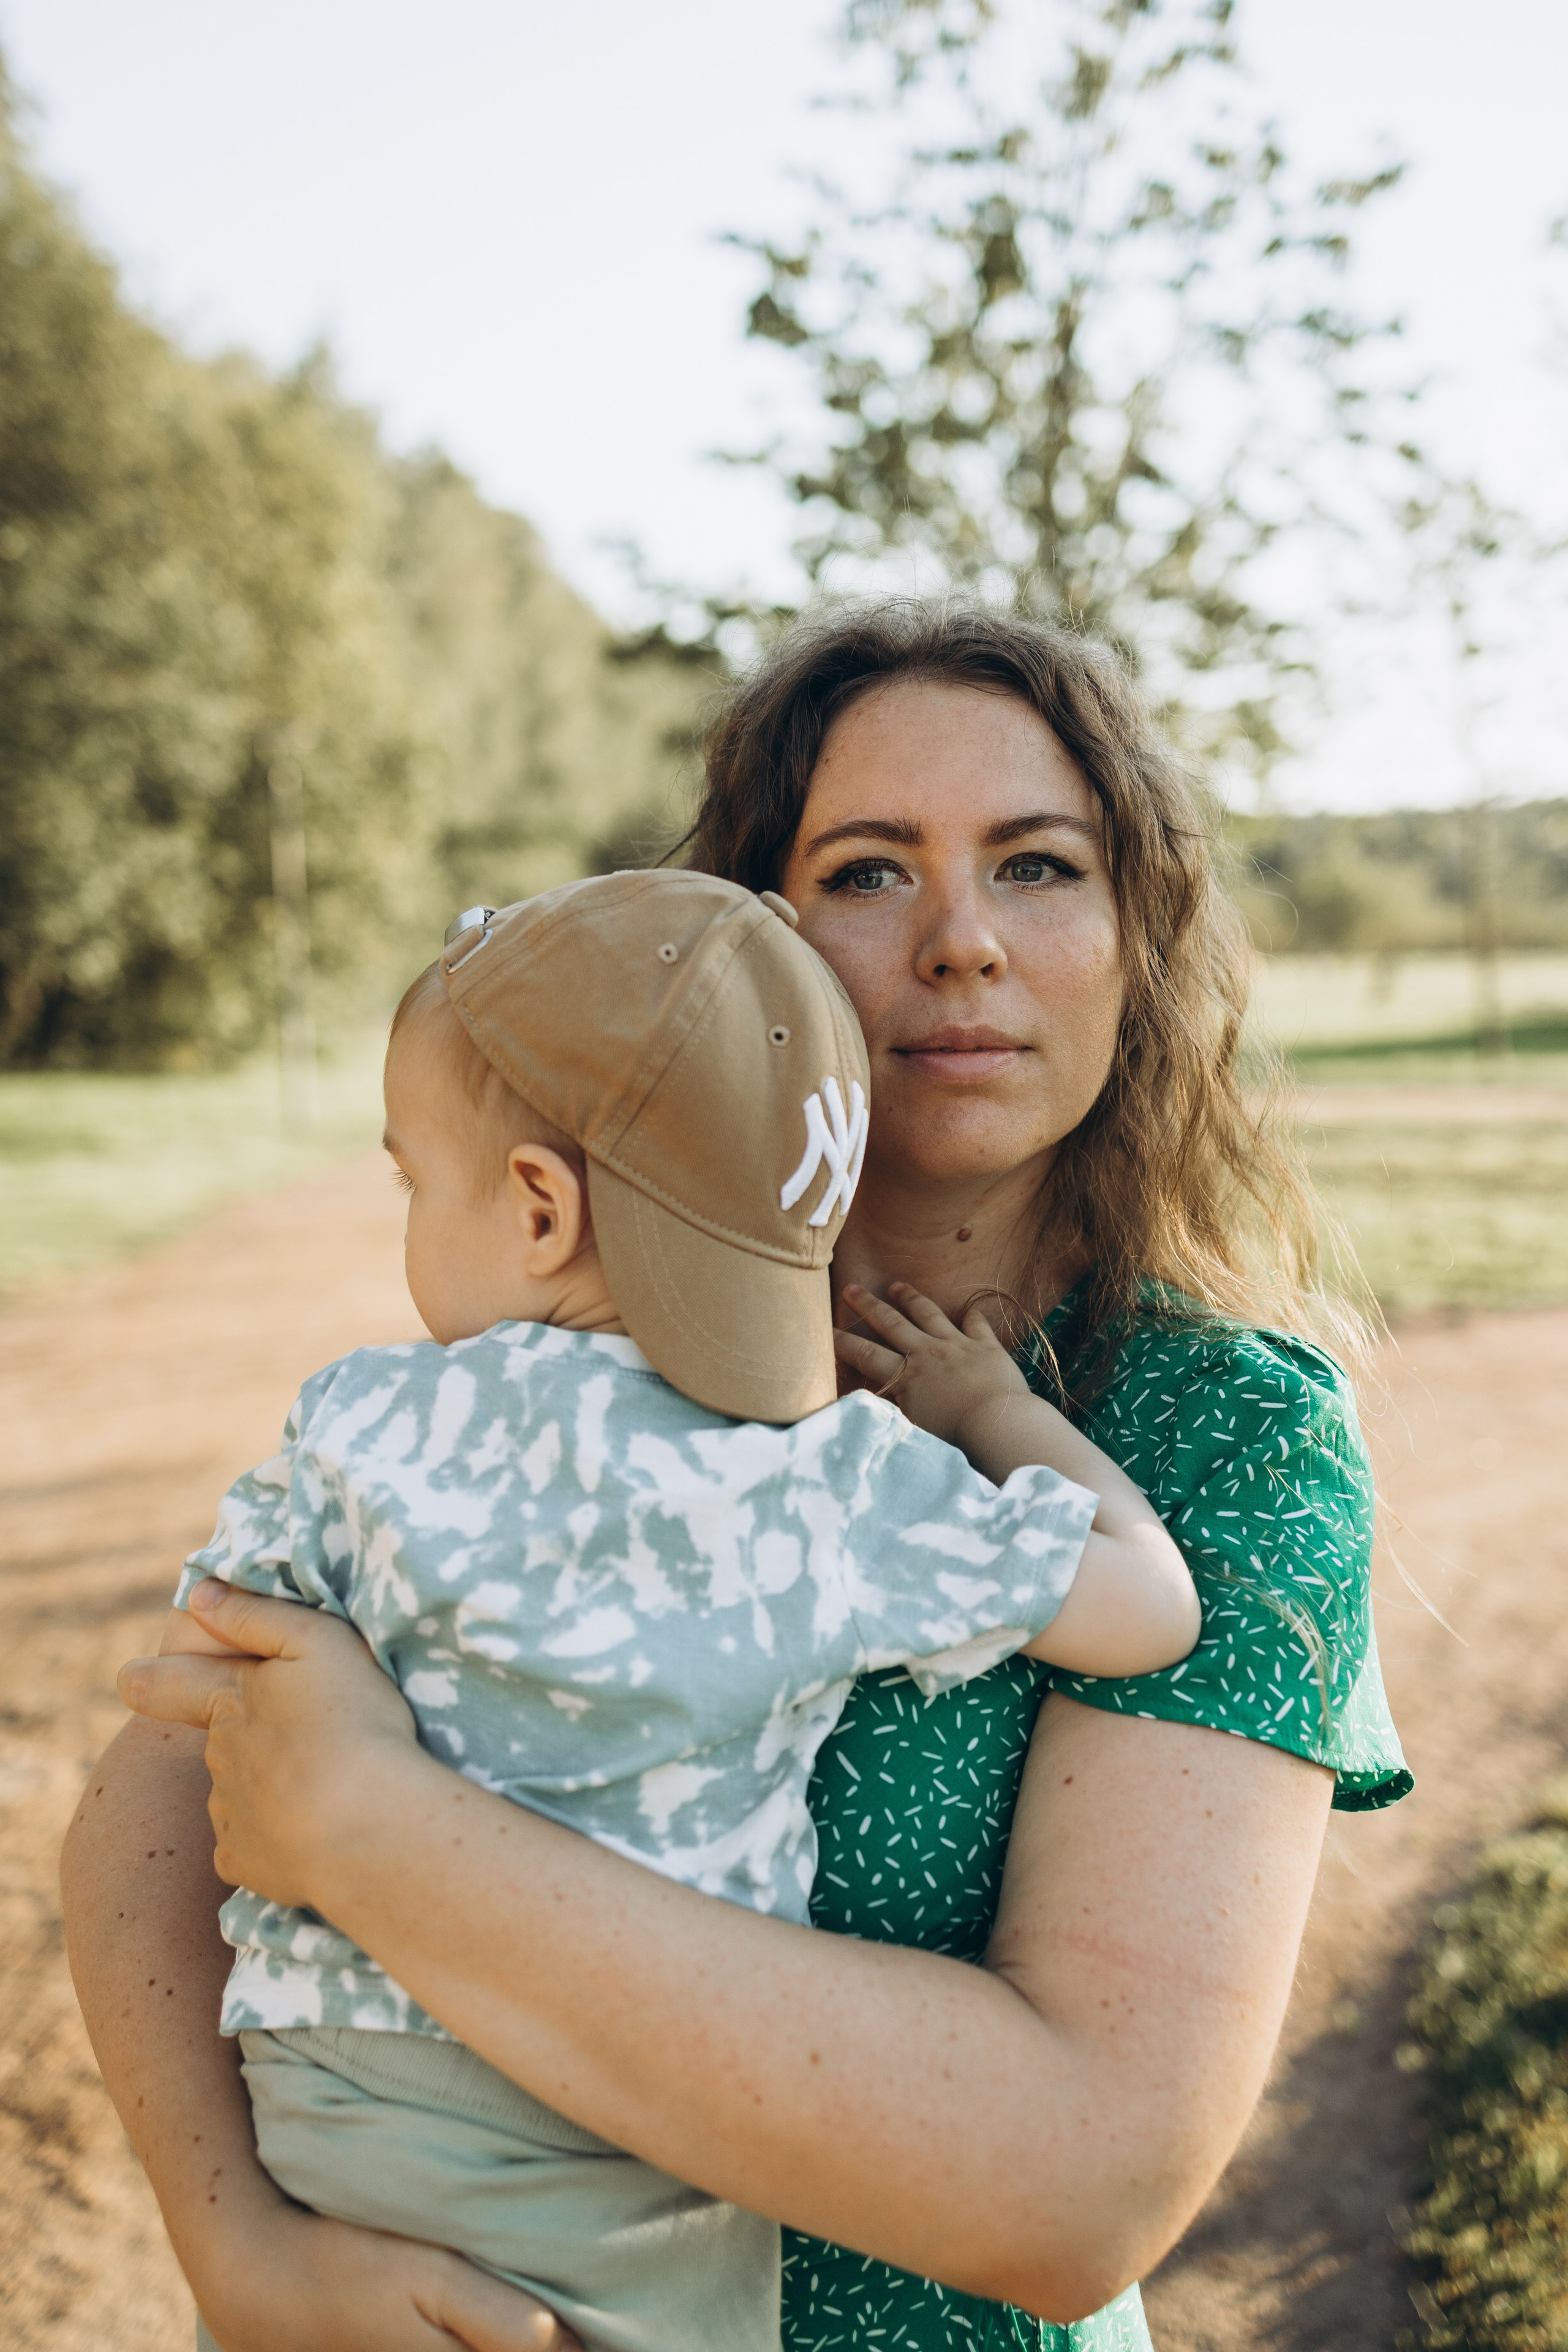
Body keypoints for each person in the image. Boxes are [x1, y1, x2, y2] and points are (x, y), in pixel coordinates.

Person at [66, 601, 1411, 2352]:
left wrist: (381, 1836)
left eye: (1039, 867)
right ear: (745, 948)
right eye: (867, 872)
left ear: (1133, 934)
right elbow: (149, 1809)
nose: (961, 944)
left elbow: (1081, 2184)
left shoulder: (1222, 1432)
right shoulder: (569, 1344)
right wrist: (235, 2246)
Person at [146, 867, 1197, 2352]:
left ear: (534, 1208)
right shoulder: (822, 1480)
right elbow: (1145, 1607)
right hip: (636, 2149)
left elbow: (192, 1680)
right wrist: (991, 1412)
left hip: (330, 2093)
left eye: (410, 1180)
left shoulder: (361, 1421)